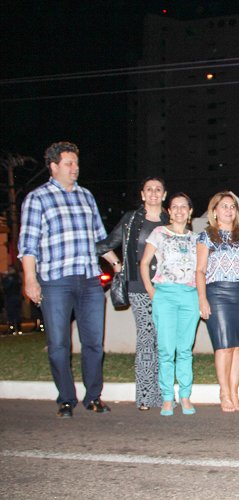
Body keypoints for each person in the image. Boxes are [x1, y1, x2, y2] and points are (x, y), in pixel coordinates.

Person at [18, 141, 121, 418]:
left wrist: (116, 263)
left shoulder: (86, 196)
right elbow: (28, 244)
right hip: (55, 281)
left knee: (94, 343)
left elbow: (100, 239)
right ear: (53, 166)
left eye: (76, 163)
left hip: (89, 280)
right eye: (69, 164)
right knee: (59, 344)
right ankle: (66, 398)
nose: (75, 168)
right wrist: (31, 279)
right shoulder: (37, 198)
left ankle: (93, 397)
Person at [97, 177, 169, 411]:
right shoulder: (131, 220)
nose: (153, 193)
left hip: (168, 288)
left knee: (165, 342)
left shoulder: (172, 219)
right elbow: (107, 244)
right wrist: (117, 265)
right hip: (139, 286)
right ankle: (146, 396)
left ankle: (163, 393)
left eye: (158, 190)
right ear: (142, 194)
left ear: (164, 195)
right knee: (147, 338)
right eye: (149, 189)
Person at [140, 193, 198, 416]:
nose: (180, 210)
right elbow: (144, 263)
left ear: (190, 212)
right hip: (164, 294)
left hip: (189, 295)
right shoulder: (159, 233)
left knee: (184, 349)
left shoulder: (196, 238)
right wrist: (151, 291)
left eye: (184, 207)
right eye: (175, 207)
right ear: (169, 211)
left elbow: (201, 271)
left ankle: (184, 396)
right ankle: (167, 397)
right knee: (166, 349)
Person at [196, 191, 239, 413]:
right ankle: (224, 393)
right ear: (214, 211)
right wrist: (202, 299)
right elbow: (199, 270)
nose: (228, 210)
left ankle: (234, 393)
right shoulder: (206, 236)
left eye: (232, 206)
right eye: (224, 206)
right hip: (217, 293)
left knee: (238, 347)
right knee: (224, 346)